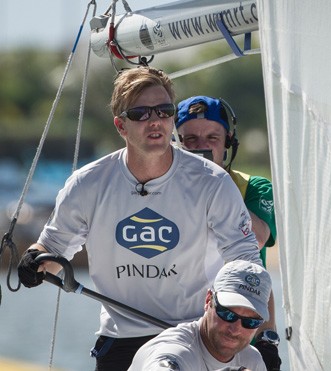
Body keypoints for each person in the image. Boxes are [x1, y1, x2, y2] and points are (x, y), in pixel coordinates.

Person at [16, 66, 262, 371]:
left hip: (191, 340)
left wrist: (256, 335)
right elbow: (52, 249)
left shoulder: (212, 182)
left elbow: (246, 260)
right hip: (120, 340)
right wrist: (34, 261)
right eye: (141, 114)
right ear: (121, 126)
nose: (155, 120)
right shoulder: (87, 184)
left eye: (164, 110)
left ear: (173, 119)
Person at [175, 96, 281, 370]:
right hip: (182, 330)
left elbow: (258, 237)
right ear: (175, 143)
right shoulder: (163, 190)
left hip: (240, 333)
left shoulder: (254, 187)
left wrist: (214, 183)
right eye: (191, 140)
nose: (202, 147)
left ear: (228, 143)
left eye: (212, 138)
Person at [129, 260, 270, 371]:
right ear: (208, 300)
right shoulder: (176, 351)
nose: (235, 329)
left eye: (250, 322)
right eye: (227, 314)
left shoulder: (252, 360)